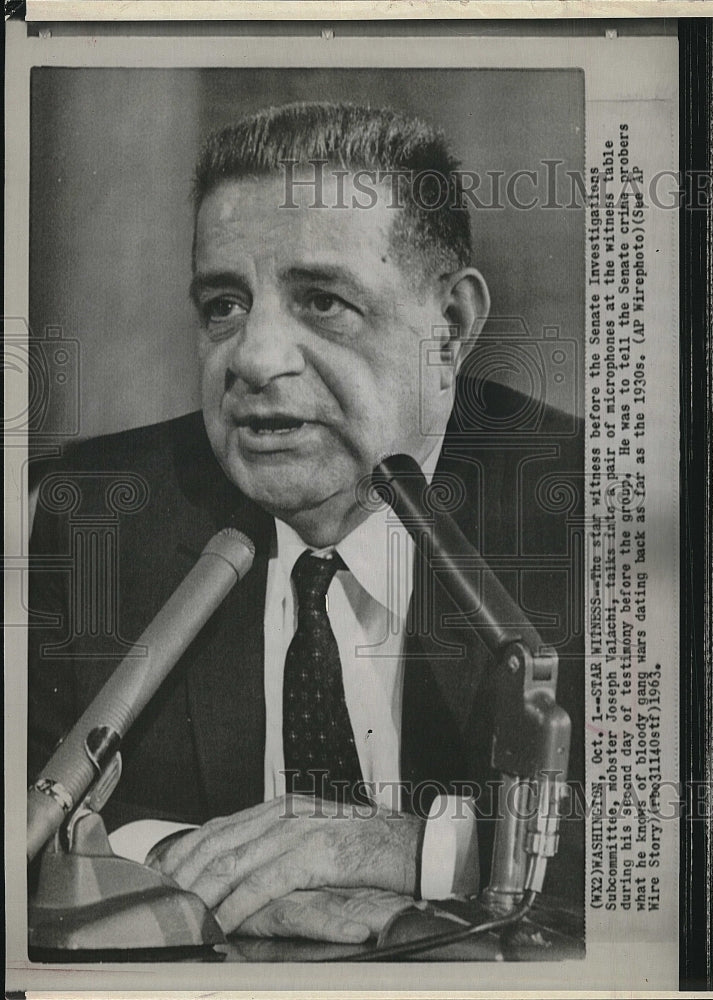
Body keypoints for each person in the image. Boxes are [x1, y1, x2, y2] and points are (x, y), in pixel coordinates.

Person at [27, 102, 584, 945]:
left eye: (322, 300)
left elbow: (700, 841)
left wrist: (426, 851)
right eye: (223, 305)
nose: (251, 359)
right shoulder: (103, 507)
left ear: (452, 328)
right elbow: (26, 808)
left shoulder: (593, 510)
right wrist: (200, 867)